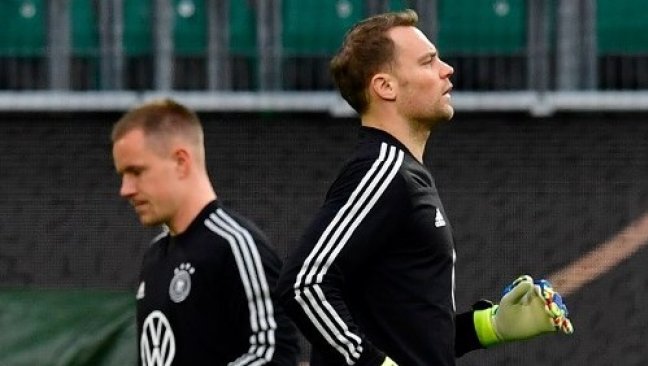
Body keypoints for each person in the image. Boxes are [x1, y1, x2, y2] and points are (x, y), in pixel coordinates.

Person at [277, 9, 573, 366]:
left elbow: (414, 336)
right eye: (428, 61)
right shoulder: (382, 170)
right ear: (385, 87)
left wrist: (491, 325)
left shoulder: (404, 173)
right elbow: (303, 284)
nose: (446, 69)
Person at [111, 99, 299, 365]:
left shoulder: (235, 246)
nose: (125, 189)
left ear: (181, 162)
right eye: (122, 175)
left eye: (136, 172)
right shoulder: (155, 256)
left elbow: (274, 355)